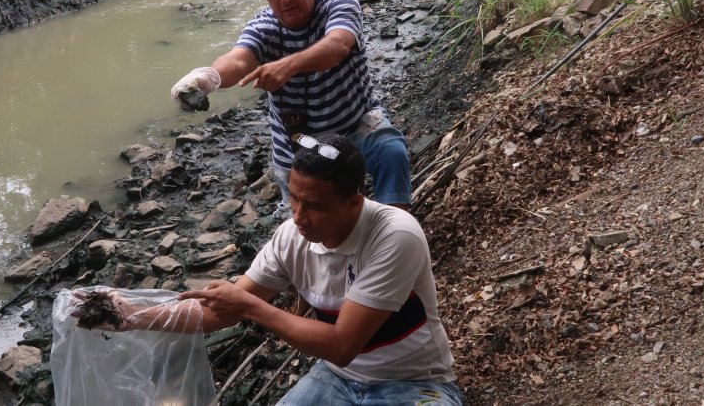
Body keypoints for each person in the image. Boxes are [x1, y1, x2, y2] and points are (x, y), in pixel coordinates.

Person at [80, 135, 461, 405]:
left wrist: (250, 308)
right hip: (336, 381)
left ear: (353, 203)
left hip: (413, 384)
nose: (298, 216)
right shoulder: (290, 238)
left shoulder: (395, 236)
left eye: (313, 205)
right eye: (293, 197)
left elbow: (343, 346)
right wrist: (132, 316)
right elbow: (218, 310)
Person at [171, 0, 412, 210]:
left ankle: (396, 230)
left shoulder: (339, 3)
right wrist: (206, 78)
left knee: (392, 152)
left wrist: (288, 66)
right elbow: (239, 59)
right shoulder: (263, 26)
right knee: (310, 222)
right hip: (298, 147)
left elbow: (337, 46)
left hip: (355, 125)